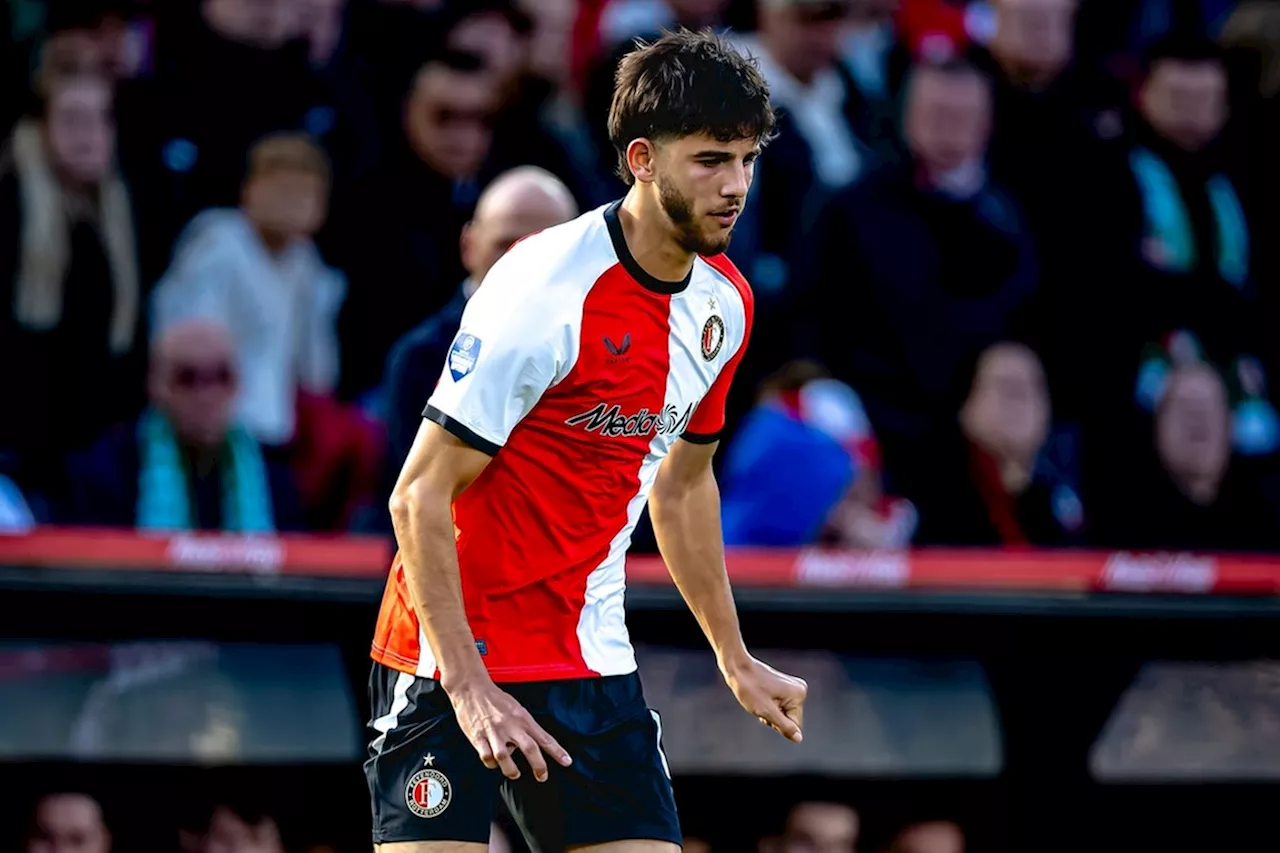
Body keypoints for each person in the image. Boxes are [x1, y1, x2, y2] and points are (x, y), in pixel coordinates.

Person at [366, 27, 809, 853]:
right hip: (447, 656)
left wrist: (734, 654)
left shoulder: (724, 306)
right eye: (711, 160)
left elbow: (682, 487)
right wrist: (468, 687)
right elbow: (418, 493)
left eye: (747, 160)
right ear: (641, 158)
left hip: (589, 662)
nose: (735, 186)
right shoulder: (542, 288)